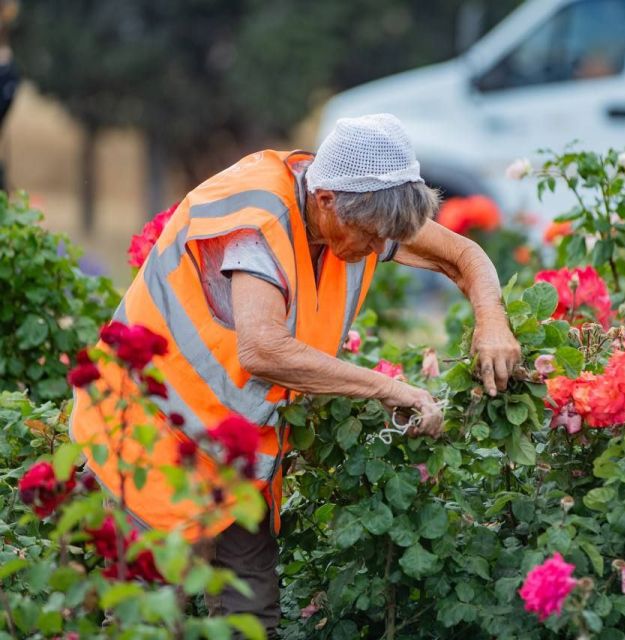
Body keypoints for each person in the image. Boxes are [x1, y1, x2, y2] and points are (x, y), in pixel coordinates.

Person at [69, 113, 521, 634]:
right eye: (370, 239)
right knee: (146, 616)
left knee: (251, 613)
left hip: (232, 445)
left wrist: (492, 322)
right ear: (326, 200)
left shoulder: (361, 207)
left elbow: (463, 255)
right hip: (148, 426)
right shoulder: (258, 223)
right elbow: (262, 349)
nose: (377, 253)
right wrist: (388, 388)